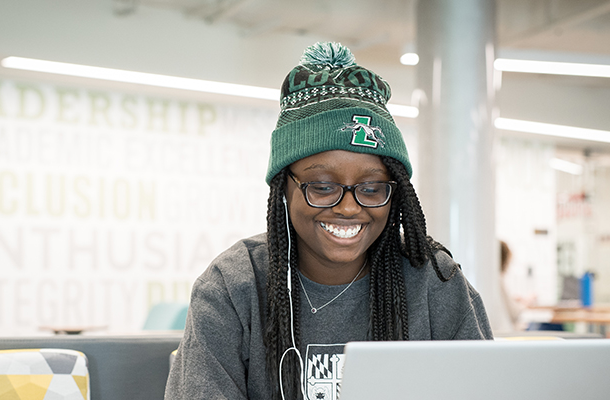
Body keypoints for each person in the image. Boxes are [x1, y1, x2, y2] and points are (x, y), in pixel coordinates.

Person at [164, 42, 492, 400]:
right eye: (322, 186)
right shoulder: (233, 287)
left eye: (371, 188)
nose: (349, 208)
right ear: (283, 187)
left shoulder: (433, 281)